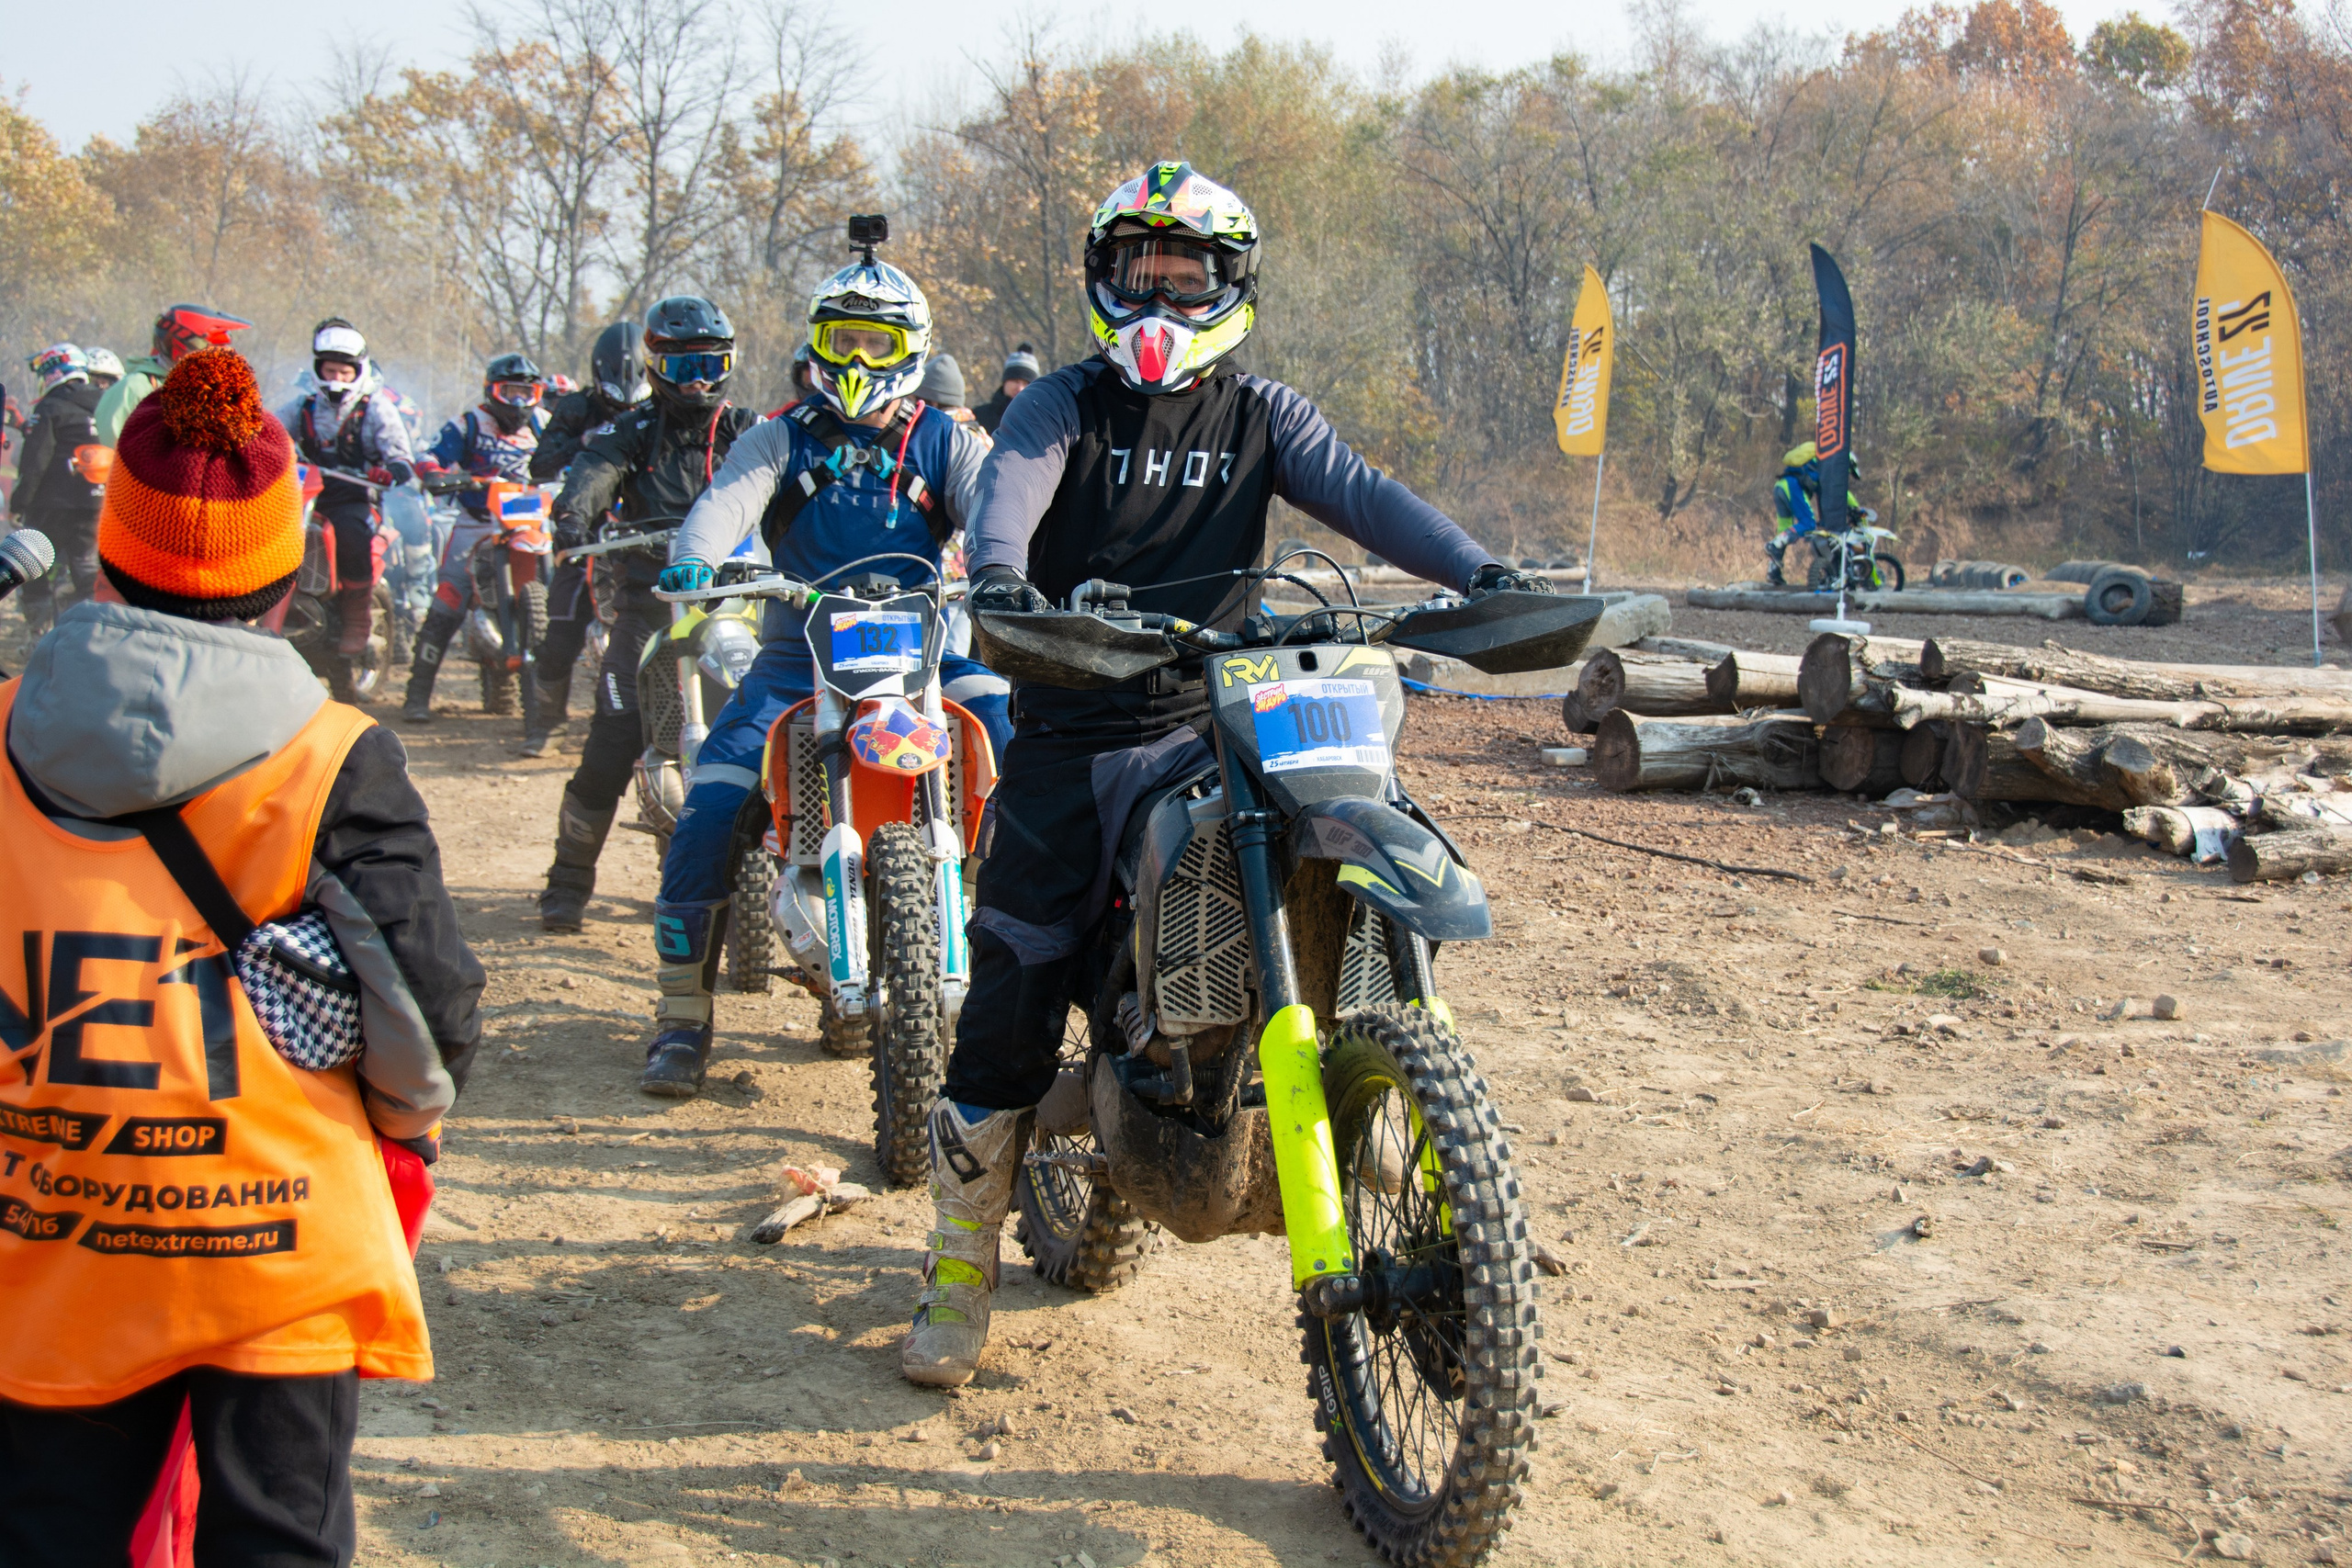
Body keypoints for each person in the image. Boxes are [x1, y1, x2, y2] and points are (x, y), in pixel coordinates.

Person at [896, 161, 1547, 1387]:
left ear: (1228, 283)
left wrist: (1480, 572)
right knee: (1016, 978)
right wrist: (1003, 586)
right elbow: (1008, 510)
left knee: (1360, 833)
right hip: (1077, 720)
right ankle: (958, 1257)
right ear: (1102, 280)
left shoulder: (1265, 414)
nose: (1159, 294)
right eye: (1139, 271)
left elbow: (1363, 492)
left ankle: (1442, 1175)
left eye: (1184, 273)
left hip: (1223, 708)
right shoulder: (1061, 408)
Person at [0, 345, 482, 1564]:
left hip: (44, 1238)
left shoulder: (5, 729)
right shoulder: (334, 757)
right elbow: (432, 1027)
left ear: (108, 556)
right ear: (284, 581)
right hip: (274, 1250)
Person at [637, 233, 1009, 1098]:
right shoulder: (777, 438)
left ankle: (1015, 935)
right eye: (843, 339)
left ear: (909, 348)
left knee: (1015, 740)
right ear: (817, 342)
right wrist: (699, 557)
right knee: (712, 802)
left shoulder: (945, 442)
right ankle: (681, 1020)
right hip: (794, 655)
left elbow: (998, 508)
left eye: (876, 343)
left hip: (925, 650)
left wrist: (1011, 566)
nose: (857, 359)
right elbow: (724, 503)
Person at [533, 298, 757, 931]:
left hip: (738, 602)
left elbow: (793, 479)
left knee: (773, 726)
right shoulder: (628, 430)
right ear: (655, 366)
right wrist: (573, 514)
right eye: (683, 365)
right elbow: (592, 471)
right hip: (649, 605)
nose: (697, 380)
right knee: (613, 737)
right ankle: (567, 883)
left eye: (710, 363)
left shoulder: (749, 429)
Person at [519, 321, 650, 756]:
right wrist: (583, 441)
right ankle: (548, 723)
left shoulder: (661, 410)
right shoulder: (577, 407)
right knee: (560, 628)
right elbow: (541, 464)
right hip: (588, 527)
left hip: (646, 526)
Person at [401, 353, 547, 722]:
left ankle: (549, 701)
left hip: (531, 519)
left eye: (525, 393)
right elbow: (429, 457)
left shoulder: (545, 424)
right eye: (508, 391)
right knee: (449, 596)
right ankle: (417, 694)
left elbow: (575, 456)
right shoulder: (468, 424)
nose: (518, 402)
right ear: (491, 391)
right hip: (478, 519)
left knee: (558, 590)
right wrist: (437, 474)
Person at [277, 320, 417, 683]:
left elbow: (401, 457)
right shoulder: (302, 407)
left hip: (354, 495)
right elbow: (268, 432)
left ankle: (356, 617)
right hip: (300, 494)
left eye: (344, 369)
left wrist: (390, 471)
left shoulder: (376, 409)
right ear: (318, 369)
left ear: (358, 370)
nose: (336, 376)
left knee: (353, 535)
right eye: (330, 369)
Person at [11, 344, 107, 634]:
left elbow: (35, 462)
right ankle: (86, 634)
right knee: (85, 567)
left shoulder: (50, 407)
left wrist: (18, 503)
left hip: (51, 505)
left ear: (54, 372)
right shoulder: (104, 402)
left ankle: (38, 638)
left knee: (34, 568)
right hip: (95, 504)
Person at [93, 304, 254, 446]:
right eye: (211, 350)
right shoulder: (136, 387)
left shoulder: (210, 392)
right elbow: (109, 451)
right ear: (181, 348)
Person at [1764, 441, 1862, 587]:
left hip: (1780, 486)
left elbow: (1822, 498)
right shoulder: (1832, 468)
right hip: (1793, 487)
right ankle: (1774, 545)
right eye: (1849, 472)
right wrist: (1857, 508)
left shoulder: (1819, 463)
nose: (1847, 475)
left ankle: (1774, 571)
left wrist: (1823, 522)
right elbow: (1841, 493)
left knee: (1784, 529)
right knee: (1808, 523)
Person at [970, 343, 1040, 434]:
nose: (1020, 388)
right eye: (1015, 381)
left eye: (1026, 383)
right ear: (1005, 381)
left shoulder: (1040, 420)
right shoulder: (979, 416)